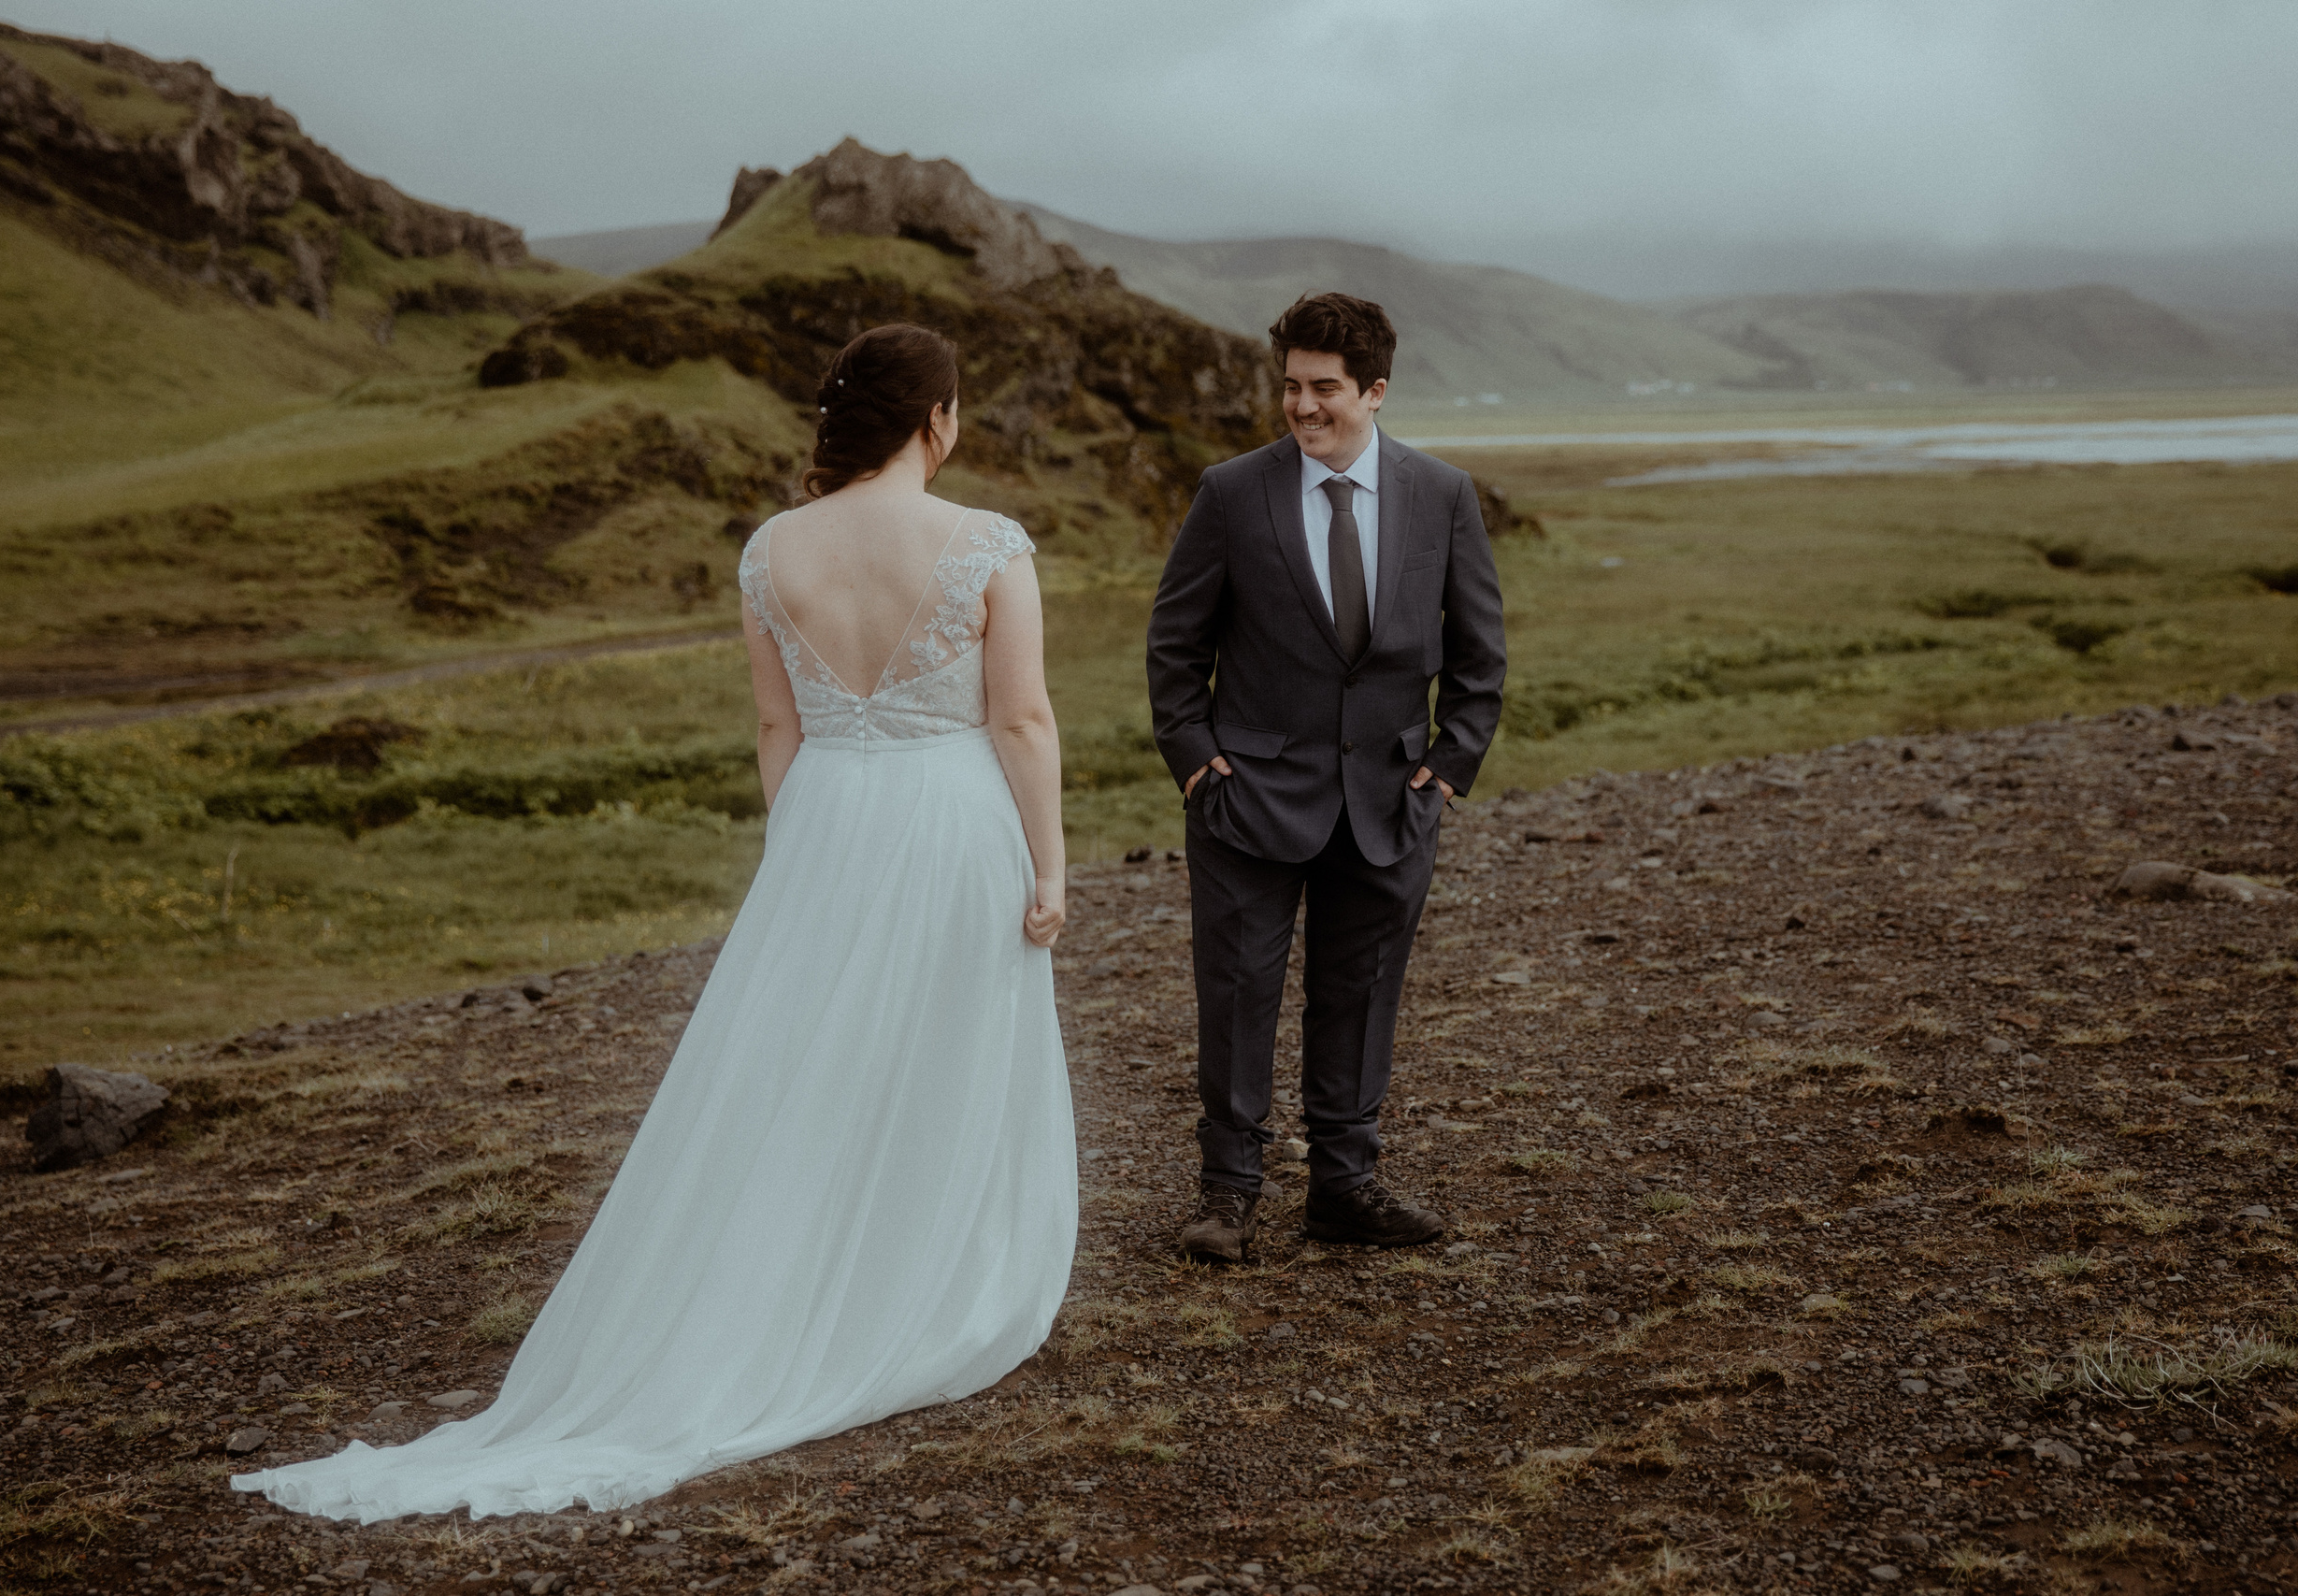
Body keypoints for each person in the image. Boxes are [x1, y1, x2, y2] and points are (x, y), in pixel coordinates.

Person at [234, 324, 1077, 1521]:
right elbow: (1025, 719)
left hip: (826, 820)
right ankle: (924, 1287)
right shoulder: (985, 542)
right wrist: (1048, 865)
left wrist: (806, 850)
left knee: (801, 1068)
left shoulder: (767, 551)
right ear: (935, 418)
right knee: (949, 1044)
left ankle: (780, 1283)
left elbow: (777, 730)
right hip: (951, 819)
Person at [1147, 292, 1507, 1265]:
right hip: (1244, 798)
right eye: (1291, 387)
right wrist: (1194, 763)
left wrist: (1445, 767)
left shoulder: (1442, 496)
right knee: (1236, 992)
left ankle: (1343, 1188)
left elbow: (1478, 653)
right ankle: (1226, 1195)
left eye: (1325, 389)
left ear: (1375, 391)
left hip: (1391, 800)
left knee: (1359, 991)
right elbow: (1174, 644)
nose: (1302, 407)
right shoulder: (1231, 493)